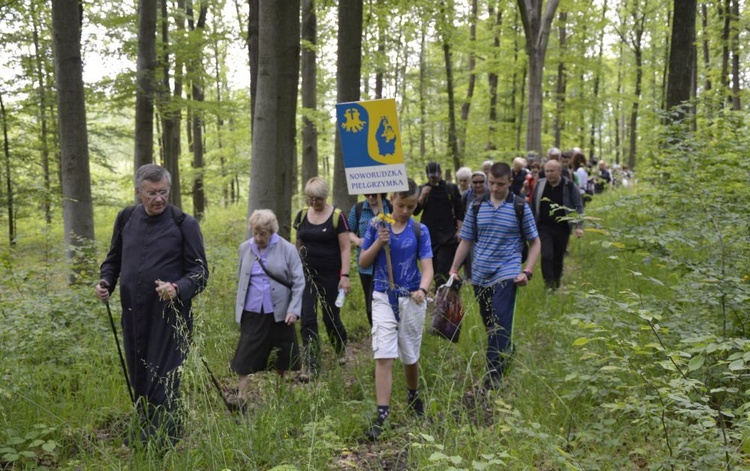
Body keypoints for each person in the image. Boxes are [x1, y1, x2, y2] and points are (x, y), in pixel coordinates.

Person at [95, 164, 209, 446]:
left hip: (169, 317)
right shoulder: (125, 218)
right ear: (138, 192)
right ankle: (143, 430)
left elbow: (200, 273)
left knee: (164, 378)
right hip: (134, 314)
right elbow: (113, 261)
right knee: (139, 374)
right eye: (151, 193)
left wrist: (177, 288)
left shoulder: (184, 224)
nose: (158, 199)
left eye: (163, 192)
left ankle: (165, 440)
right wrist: (105, 282)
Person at [449, 162, 540, 390]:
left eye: (500, 184)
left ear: (510, 182)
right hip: (480, 273)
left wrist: (527, 270)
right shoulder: (477, 205)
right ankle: (505, 351)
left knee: (500, 321)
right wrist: (453, 269)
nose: (495, 188)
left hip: (507, 271)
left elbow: (535, 242)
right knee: (490, 323)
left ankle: (493, 375)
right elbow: (467, 239)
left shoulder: (520, 206)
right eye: (492, 183)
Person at [358, 178, 434, 440]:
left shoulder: (419, 230)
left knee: (410, 355)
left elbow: (428, 267)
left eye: (411, 207)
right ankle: (382, 414)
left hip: (411, 298)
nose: (405, 211)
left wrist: (422, 290)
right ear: (392, 200)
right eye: (402, 205)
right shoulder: (376, 224)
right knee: (384, 353)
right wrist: (379, 242)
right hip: (382, 296)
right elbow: (364, 261)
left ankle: (413, 396)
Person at [228, 209, 305, 411]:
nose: (258, 238)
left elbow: (299, 282)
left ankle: (280, 393)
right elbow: (241, 279)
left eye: (263, 234)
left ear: (272, 231)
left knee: (282, 354)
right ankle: (242, 397)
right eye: (255, 233)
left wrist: (293, 309)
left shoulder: (287, 249)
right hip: (252, 310)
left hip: (279, 311)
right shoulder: (245, 248)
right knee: (246, 353)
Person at [294, 177, 351, 375]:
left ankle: (341, 348)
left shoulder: (337, 216)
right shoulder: (301, 215)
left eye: (317, 199)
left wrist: (345, 275)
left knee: (330, 318)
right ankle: (311, 364)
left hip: (331, 275)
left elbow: (345, 248)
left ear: (325, 196)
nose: (313, 203)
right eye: (310, 199)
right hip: (307, 275)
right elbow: (298, 242)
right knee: (307, 318)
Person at [530, 159, 584, 291]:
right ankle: (548, 285)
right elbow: (533, 206)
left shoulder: (569, 186)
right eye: (547, 171)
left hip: (562, 228)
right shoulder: (540, 184)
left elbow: (578, 206)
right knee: (547, 255)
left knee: (558, 257)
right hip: (543, 228)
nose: (548, 174)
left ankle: (556, 282)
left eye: (552, 171)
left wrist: (579, 226)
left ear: (559, 171)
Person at [414, 162, 464, 287]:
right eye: (431, 176)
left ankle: (443, 294)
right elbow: (415, 211)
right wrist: (422, 196)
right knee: (433, 268)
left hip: (447, 235)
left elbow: (459, 210)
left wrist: (460, 230)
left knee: (443, 268)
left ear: (441, 174)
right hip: (429, 235)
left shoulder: (450, 188)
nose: (434, 178)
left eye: (436, 176)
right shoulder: (422, 189)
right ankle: (441, 293)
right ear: (427, 176)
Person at [348, 193, 392, 327]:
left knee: (387, 299)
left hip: (387, 263)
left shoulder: (390, 206)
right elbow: (348, 231)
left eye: (374, 194)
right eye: (368, 194)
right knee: (370, 301)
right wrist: (357, 240)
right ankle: (375, 330)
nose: (371, 197)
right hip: (366, 265)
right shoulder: (358, 208)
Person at [459, 171, 488, 283]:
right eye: (475, 182)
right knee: (470, 256)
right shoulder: (466, 195)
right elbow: (460, 213)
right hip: (471, 231)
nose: (478, 185)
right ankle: (470, 279)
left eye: (481, 182)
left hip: (487, 231)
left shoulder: (491, 194)